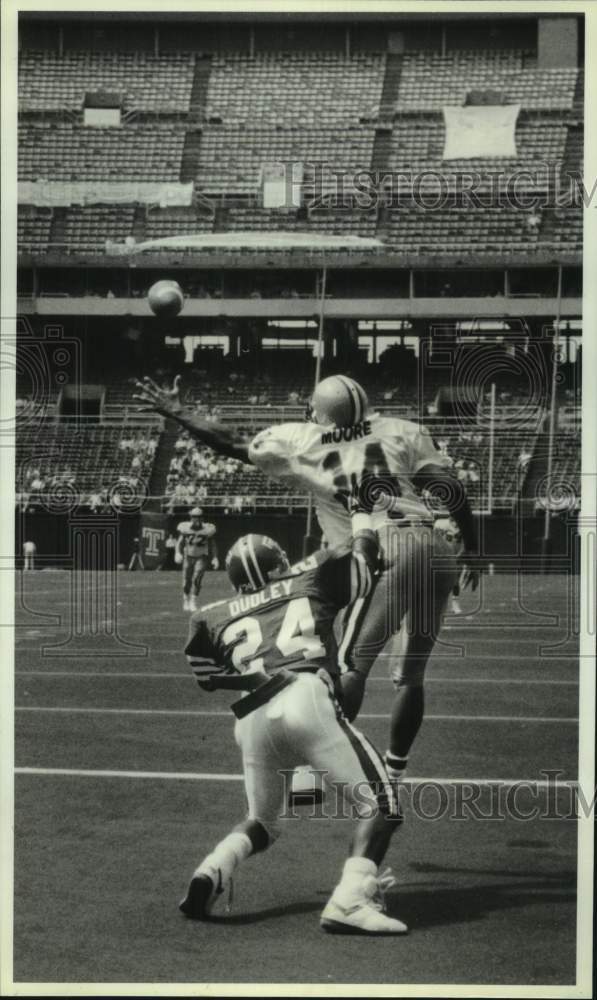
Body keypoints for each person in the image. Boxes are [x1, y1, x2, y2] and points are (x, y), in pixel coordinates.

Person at [134, 374, 480, 785]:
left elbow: (232, 442)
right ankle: (394, 771)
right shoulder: (402, 430)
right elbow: (448, 486)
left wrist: (178, 411)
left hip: (386, 547)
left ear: (321, 414)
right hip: (435, 547)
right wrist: (474, 547)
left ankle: (308, 781)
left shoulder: (304, 441)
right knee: (410, 676)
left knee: (350, 667)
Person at [180, 530, 406, 935]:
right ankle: (351, 900)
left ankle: (214, 867)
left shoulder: (210, 616)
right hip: (304, 695)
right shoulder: (311, 576)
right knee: (382, 804)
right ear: (280, 565)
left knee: (262, 822)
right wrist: (365, 532)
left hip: (251, 717)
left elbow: (206, 676)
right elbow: (364, 567)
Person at [176, 507, 218, 612]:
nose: (197, 519)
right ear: (191, 517)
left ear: (202, 518)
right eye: (194, 517)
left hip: (201, 556)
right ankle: (186, 599)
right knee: (187, 580)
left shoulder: (208, 529)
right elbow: (180, 542)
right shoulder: (185, 527)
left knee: (197, 578)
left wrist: (215, 557)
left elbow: (213, 544)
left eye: (199, 517)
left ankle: (193, 601)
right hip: (188, 556)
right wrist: (177, 552)